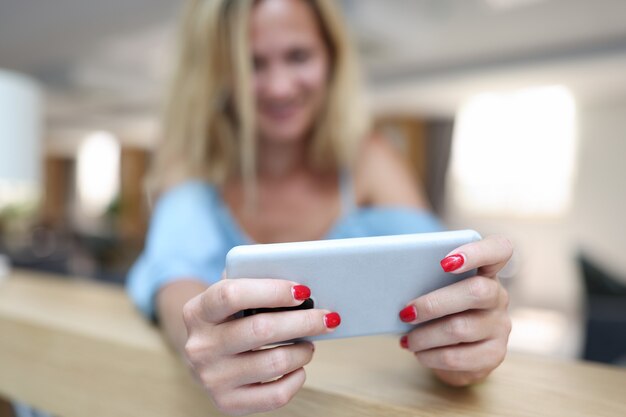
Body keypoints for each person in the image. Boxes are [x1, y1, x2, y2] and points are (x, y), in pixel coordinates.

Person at [127, 0, 513, 415]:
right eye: (252, 64)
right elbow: (174, 278)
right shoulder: (191, 161)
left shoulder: (371, 161)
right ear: (219, 73)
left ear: (332, 56)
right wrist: (197, 342)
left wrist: (466, 339)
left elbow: (440, 283)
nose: (279, 86)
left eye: (298, 56)